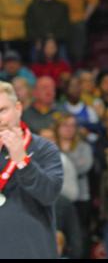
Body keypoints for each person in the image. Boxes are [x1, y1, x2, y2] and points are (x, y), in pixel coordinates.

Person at [0, 81, 63, 258]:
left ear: (18, 109)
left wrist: (22, 160)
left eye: (2, 110)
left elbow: (49, 194)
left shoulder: (44, 149)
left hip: (32, 251)